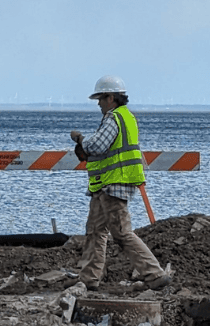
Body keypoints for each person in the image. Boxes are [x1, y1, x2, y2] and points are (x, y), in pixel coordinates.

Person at [69, 75, 172, 290]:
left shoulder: (114, 118)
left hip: (113, 184)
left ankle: (154, 274)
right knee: (95, 231)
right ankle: (88, 280)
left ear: (111, 98)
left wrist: (81, 140)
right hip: (104, 185)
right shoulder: (125, 117)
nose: (98, 103)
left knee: (121, 233)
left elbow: (98, 145)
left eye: (100, 98)